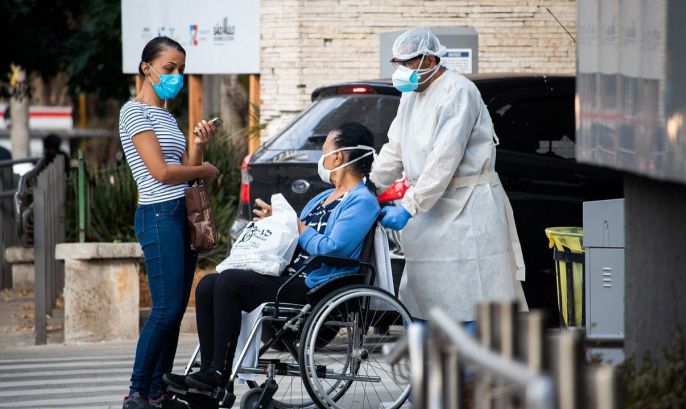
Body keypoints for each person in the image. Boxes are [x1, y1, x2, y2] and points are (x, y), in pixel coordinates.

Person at [163, 122, 380, 394]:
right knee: (208, 284)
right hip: (291, 275)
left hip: (319, 285)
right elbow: (296, 234)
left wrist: (298, 226)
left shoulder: (362, 201)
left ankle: (220, 371)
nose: (321, 160)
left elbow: (333, 247)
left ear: (338, 157)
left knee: (230, 283)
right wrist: (278, 221)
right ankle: (209, 373)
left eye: (324, 152)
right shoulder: (323, 197)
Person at [370, 28, 527, 327]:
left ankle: (474, 366)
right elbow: (395, 148)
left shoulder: (458, 92)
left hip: (466, 209)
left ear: (429, 59)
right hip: (428, 212)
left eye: (408, 63)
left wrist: (409, 205)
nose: (401, 72)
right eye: (397, 64)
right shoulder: (412, 96)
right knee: (425, 296)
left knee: (471, 294)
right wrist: (370, 185)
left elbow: (444, 159)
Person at [119, 36, 220, 409]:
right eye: (169, 68)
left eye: (180, 69)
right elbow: (161, 172)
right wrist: (205, 169)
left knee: (176, 311)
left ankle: (159, 393)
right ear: (147, 68)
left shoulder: (165, 116)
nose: (176, 76)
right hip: (157, 216)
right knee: (163, 310)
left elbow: (185, 167)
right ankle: (137, 392)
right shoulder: (133, 112)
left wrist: (198, 144)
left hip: (181, 215)